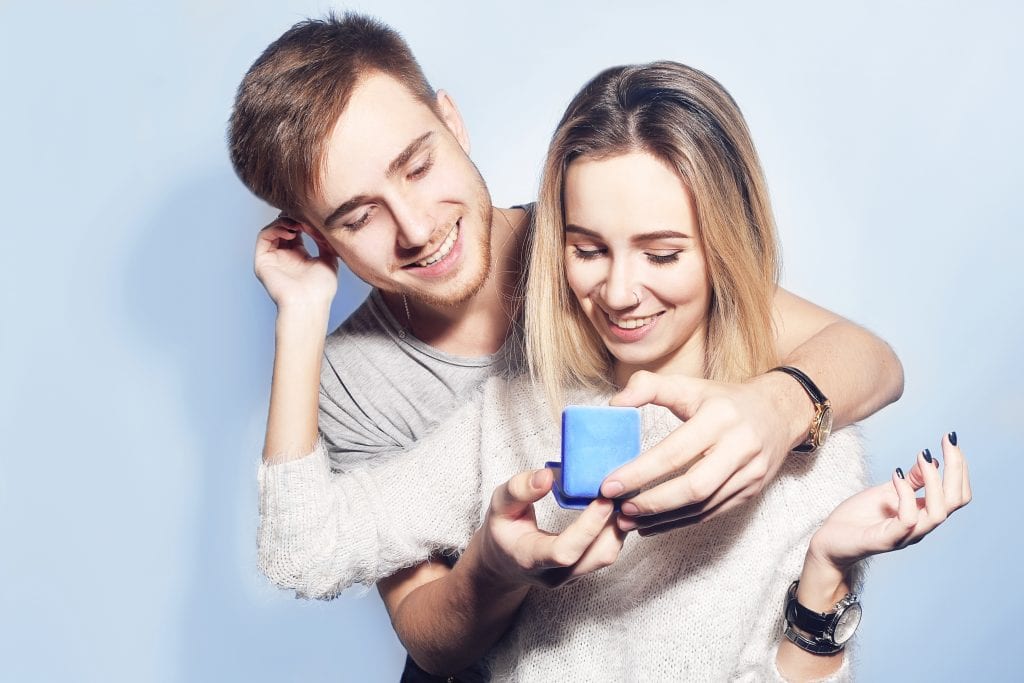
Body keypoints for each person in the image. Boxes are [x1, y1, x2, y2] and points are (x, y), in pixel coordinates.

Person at [228, 12, 905, 679]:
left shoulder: (604, 232)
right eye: (357, 215)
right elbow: (421, 634)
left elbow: (858, 354)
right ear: (316, 233)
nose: (415, 226)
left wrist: (781, 410)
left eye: (417, 165)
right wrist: (302, 313)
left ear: (451, 121)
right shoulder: (380, 389)